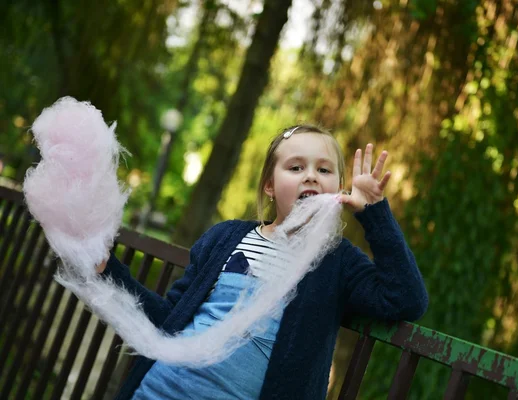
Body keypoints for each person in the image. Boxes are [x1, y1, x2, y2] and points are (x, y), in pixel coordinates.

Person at [97, 124, 428, 400]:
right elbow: (171, 317)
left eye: (323, 169)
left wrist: (373, 214)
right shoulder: (225, 237)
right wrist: (109, 270)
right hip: (158, 390)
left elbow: (406, 298)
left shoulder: (337, 262)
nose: (311, 176)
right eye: (296, 167)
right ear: (269, 186)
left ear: (338, 189)